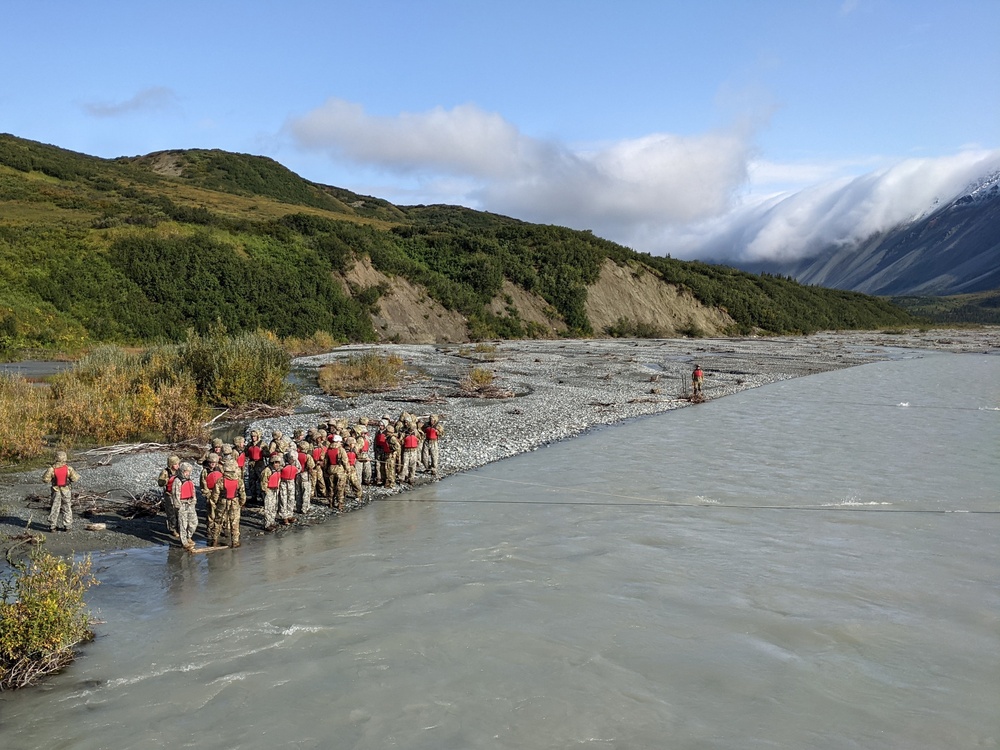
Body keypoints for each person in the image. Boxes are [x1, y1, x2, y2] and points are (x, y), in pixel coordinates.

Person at [212, 459, 246, 548]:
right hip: (234, 502)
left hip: (222, 502)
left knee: (218, 521)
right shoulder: (239, 480)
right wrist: (241, 503)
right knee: (234, 522)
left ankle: (214, 541)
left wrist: (215, 503)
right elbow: (242, 494)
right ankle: (235, 542)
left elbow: (215, 494)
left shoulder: (221, 481)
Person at [42, 451, 80, 532]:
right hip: (66, 490)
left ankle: (53, 526)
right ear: (65, 458)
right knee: (67, 507)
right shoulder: (69, 469)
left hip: (56, 490)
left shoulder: (51, 469)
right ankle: (68, 526)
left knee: (55, 507)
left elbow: (45, 480)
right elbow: (75, 479)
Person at [172, 462, 199, 552]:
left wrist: (194, 501)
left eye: (189, 471)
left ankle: (189, 536)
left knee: (194, 522)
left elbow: (193, 490)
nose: (188, 473)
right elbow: (175, 494)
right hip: (182, 504)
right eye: (186, 471)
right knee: (183, 524)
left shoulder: (189, 480)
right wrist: (178, 506)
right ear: (182, 471)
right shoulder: (177, 481)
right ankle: (184, 542)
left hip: (190, 503)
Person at [158, 455, 182, 538]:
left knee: (179, 512)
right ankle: (173, 529)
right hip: (169, 495)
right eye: (175, 464)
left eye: (178, 464)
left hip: (179, 494)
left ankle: (179, 528)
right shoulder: (165, 472)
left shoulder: (180, 471)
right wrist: (165, 480)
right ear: (171, 465)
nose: (178, 466)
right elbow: (160, 483)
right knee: (171, 513)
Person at [260, 454, 282, 531]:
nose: (277, 464)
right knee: (268, 508)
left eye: (278, 462)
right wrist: (265, 491)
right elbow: (263, 482)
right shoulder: (267, 470)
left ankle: (272, 521)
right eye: (275, 462)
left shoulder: (278, 470)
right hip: (268, 490)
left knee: (274, 507)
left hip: (275, 490)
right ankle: (267, 524)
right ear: (272, 463)